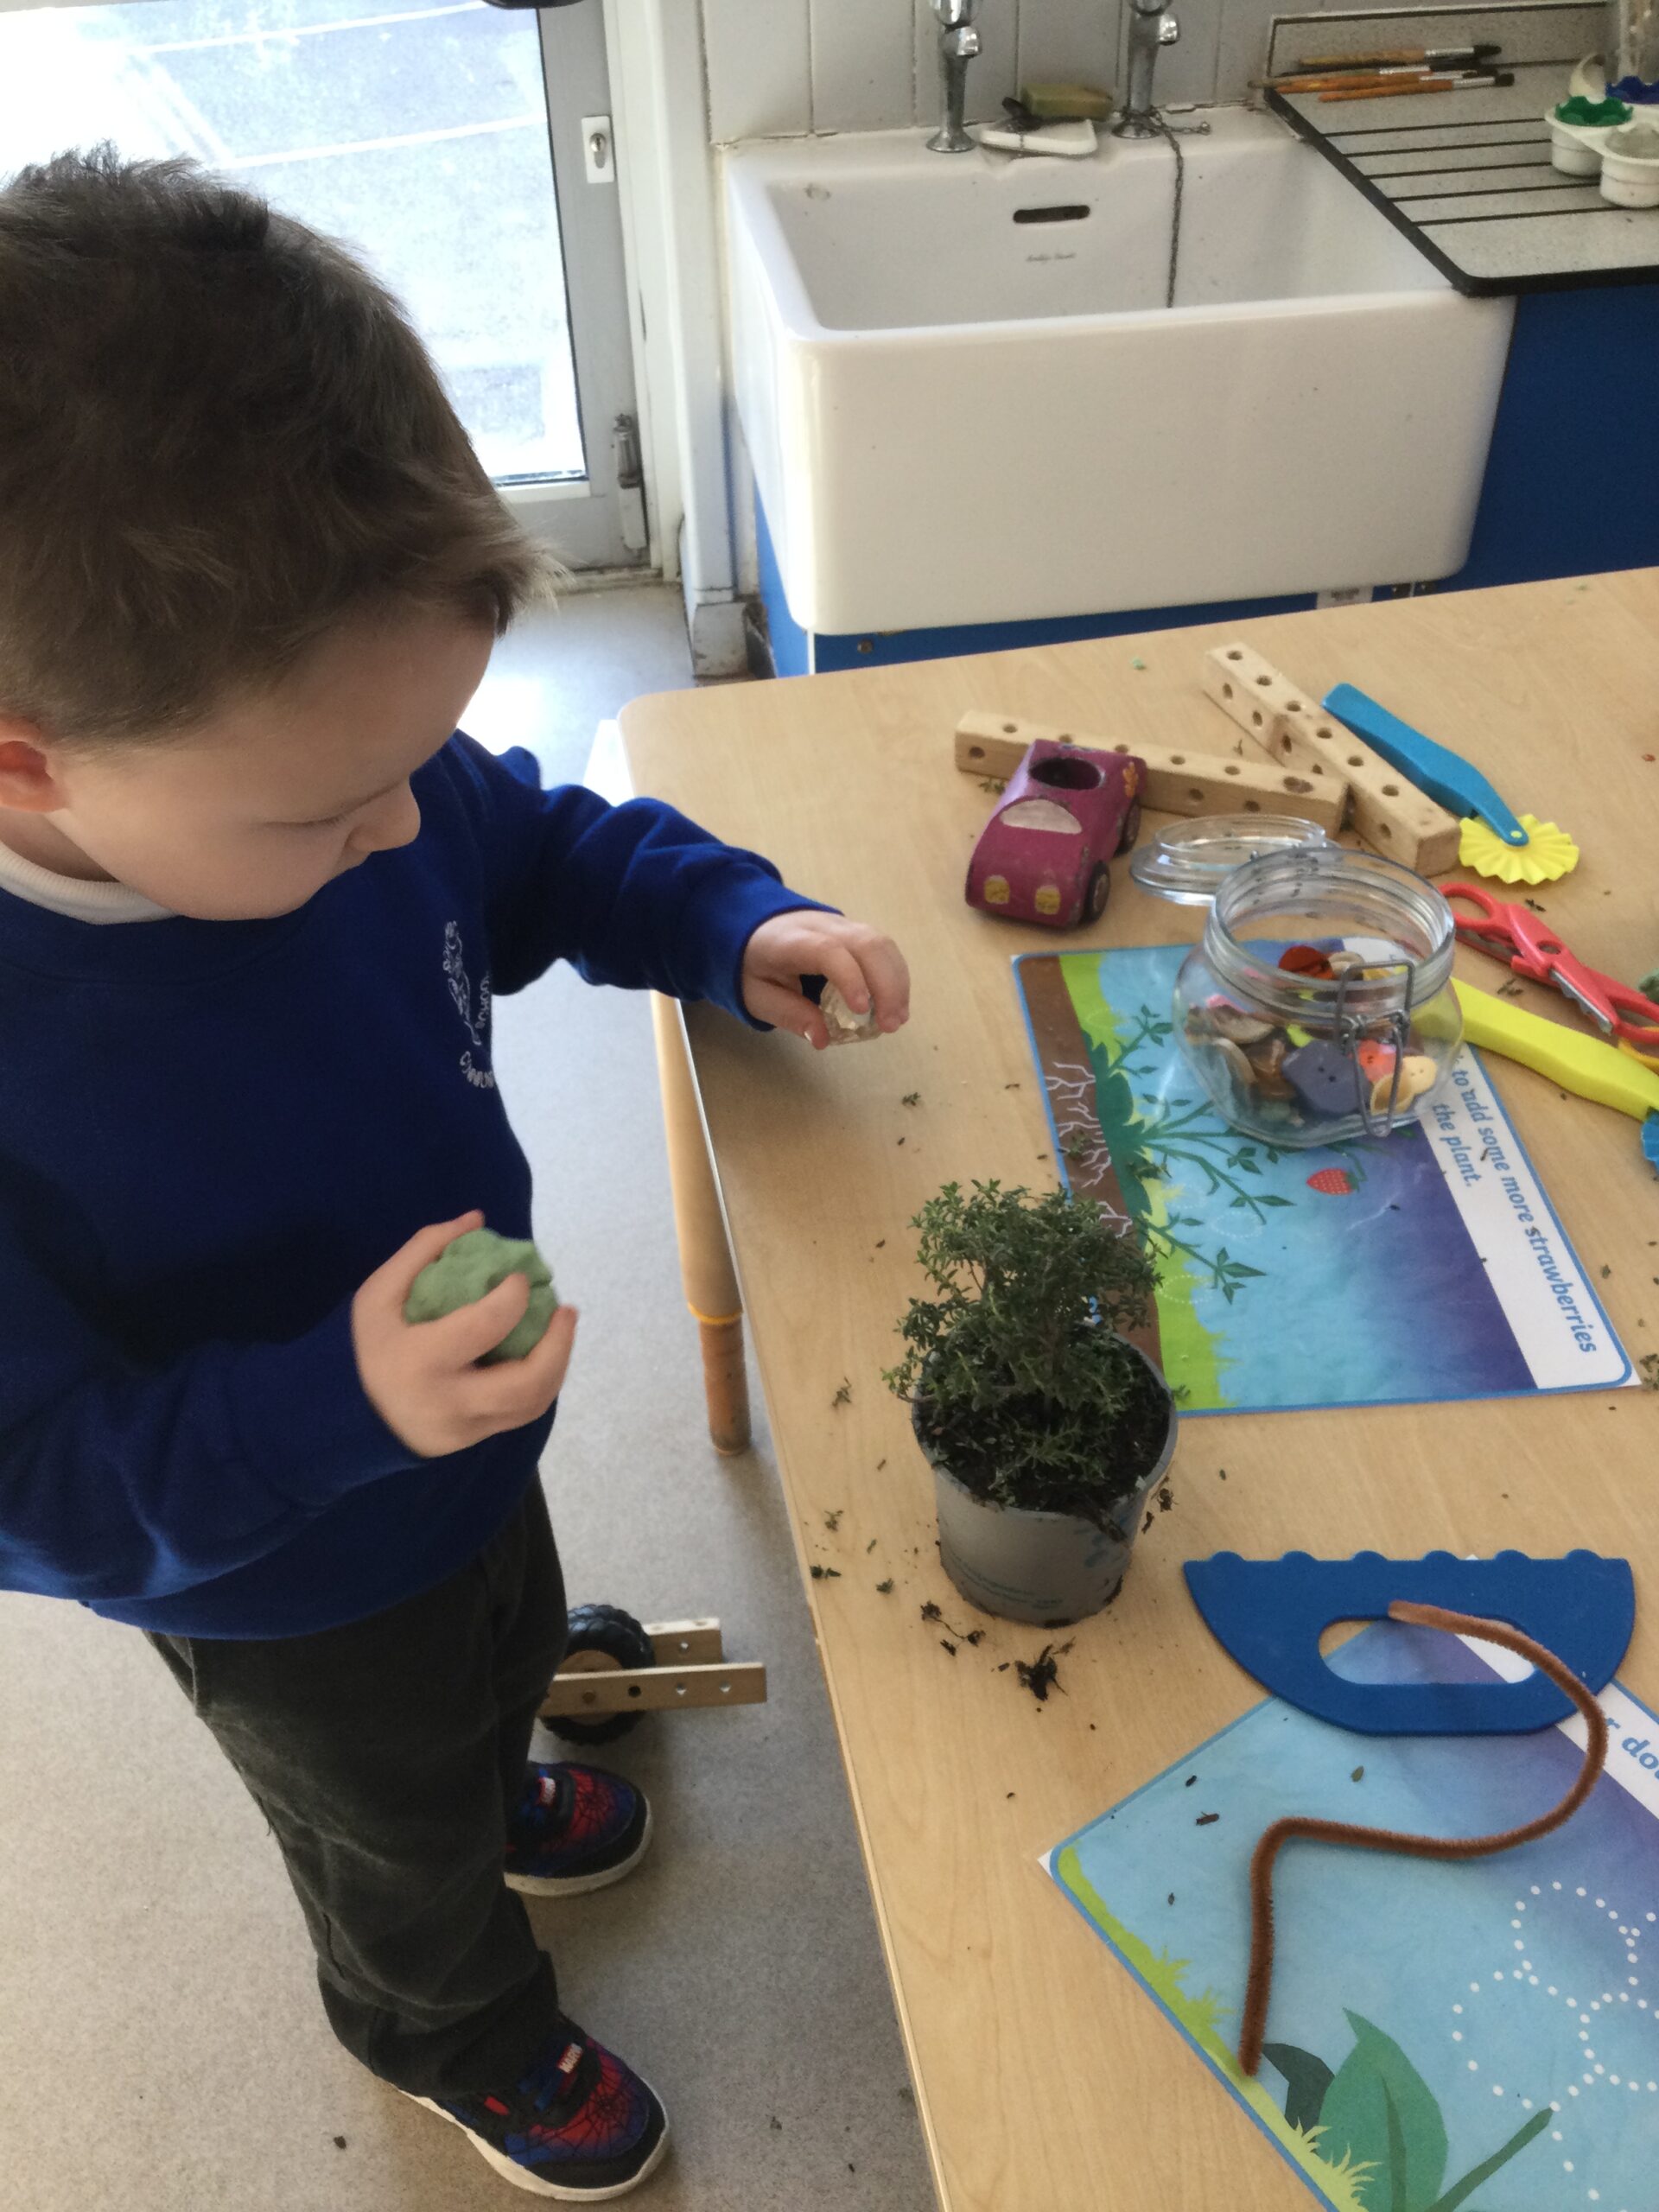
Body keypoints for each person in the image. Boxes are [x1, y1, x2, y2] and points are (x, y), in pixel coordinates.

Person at [0, 147, 910, 2202]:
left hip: (467, 1440)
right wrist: (338, 1405)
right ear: (26, 754)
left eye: (418, 757)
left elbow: (541, 841)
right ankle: (452, 2024)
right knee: (384, 1826)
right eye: (336, 806)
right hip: (273, 1573)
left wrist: (726, 919)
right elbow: (33, 1480)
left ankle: (502, 1753)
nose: (407, 832)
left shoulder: (343, 780)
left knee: (498, 1635)